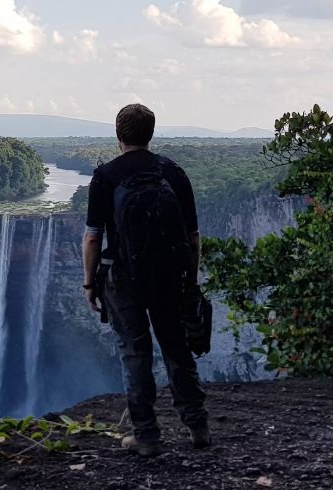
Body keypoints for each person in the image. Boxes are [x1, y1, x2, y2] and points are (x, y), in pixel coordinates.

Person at [82, 103, 209, 457]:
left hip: (123, 279)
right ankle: (198, 427)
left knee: (135, 353)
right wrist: (190, 280)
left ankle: (147, 435)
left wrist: (90, 283)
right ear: (150, 134)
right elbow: (194, 237)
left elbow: (92, 237)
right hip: (169, 275)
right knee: (176, 348)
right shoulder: (172, 172)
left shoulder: (105, 176)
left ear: (118, 134)